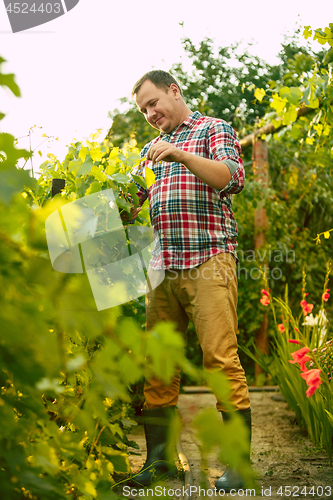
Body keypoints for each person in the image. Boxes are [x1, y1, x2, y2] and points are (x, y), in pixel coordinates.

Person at [124, 70, 251, 491]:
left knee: (220, 357)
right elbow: (138, 208)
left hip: (209, 259)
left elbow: (232, 178)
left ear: (173, 91)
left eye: (153, 102)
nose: (149, 113)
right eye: (143, 110)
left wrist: (179, 155)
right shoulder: (148, 151)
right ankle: (161, 462)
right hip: (161, 267)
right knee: (158, 367)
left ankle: (237, 465)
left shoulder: (213, 129)